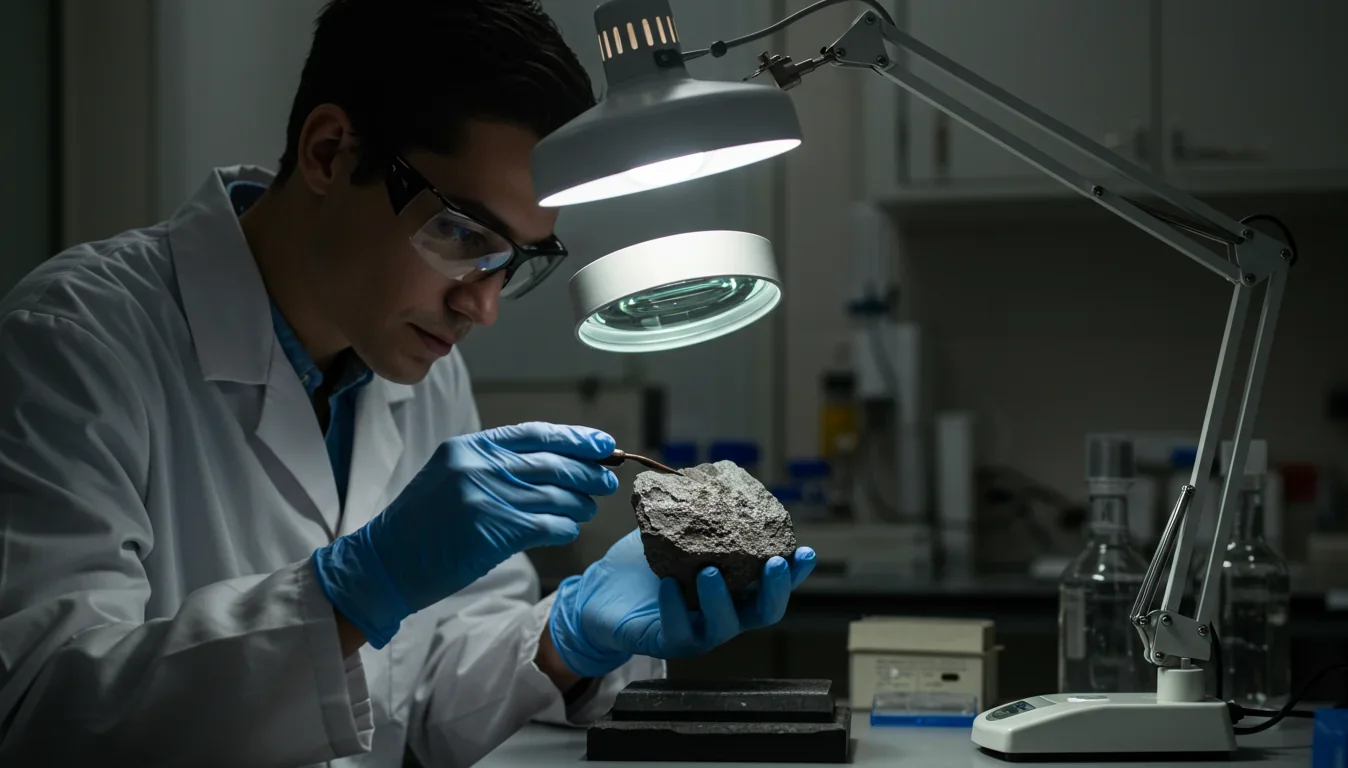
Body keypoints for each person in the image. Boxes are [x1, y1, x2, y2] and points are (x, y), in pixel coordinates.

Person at [0, 1, 816, 765]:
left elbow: (426, 696)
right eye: (461, 231)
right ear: (330, 152)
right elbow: (38, 709)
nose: (482, 306)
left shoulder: (420, 366)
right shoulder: (76, 342)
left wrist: (567, 640)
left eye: (519, 259)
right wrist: (356, 589)